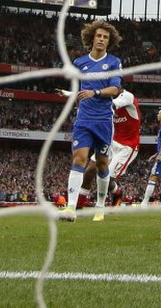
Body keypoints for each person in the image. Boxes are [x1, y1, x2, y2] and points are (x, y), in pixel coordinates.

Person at [58, 20, 123, 222]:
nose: (102, 39)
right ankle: (70, 209)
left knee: (102, 165)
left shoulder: (113, 62)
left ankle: (100, 207)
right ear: (92, 38)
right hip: (84, 120)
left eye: (106, 37)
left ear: (109, 41)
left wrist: (94, 92)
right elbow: (80, 92)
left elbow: (115, 90)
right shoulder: (79, 63)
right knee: (79, 159)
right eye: (99, 36)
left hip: (103, 120)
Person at [79, 89, 141, 217]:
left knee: (108, 179)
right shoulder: (107, 97)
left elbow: (113, 104)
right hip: (111, 142)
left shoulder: (128, 96)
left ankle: (115, 196)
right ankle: (78, 207)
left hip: (127, 147)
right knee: (90, 170)